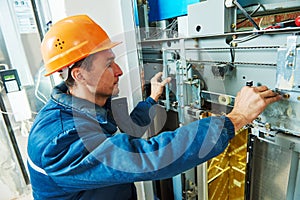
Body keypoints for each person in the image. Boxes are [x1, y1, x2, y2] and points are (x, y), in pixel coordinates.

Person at [27, 14, 281, 200]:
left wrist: (152, 100)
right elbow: (148, 157)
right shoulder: (58, 141)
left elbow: (123, 135)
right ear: (80, 75)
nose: (119, 71)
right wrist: (236, 118)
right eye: (108, 65)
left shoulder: (84, 107)